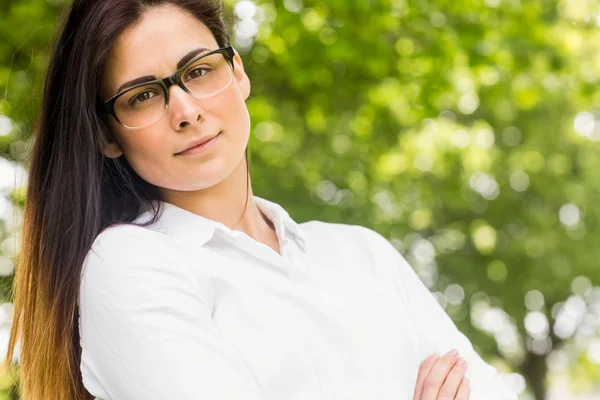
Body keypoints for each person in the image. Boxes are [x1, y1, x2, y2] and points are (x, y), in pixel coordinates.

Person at [4, 0, 518, 399]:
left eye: (199, 71)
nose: (184, 110)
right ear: (107, 135)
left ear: (239, 73)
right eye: (142, 96)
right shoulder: (130, 264)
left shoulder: (365, 255)